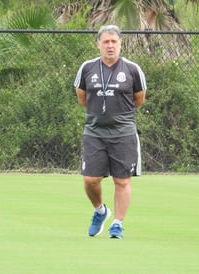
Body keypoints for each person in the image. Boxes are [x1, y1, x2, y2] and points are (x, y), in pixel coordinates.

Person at [73, 25, 147, 238]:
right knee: (90, 179)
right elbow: (81, 96)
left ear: (120, 43)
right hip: (95, 131)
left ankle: (117, 224)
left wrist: (118, 116)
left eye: (114, 41)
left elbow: (139, 99)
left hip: (123, 132)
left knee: (122, 180)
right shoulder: (87, 68)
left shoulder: (132, 69)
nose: (110, 46)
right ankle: (100, 211)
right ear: (98, 44)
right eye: (106, 42)